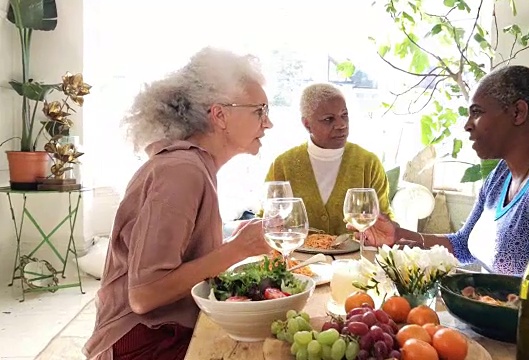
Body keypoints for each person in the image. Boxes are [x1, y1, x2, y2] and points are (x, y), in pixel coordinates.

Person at [359, 66, 529, 360]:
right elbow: (464, 245)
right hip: (505, 327)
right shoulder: (501, 174)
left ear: (518, 113)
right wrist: (399, 235)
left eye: (477, 112)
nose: (467, 125)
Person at [83, 47, 274, 360]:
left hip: (165, 331)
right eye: (260, 110)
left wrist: (230, 243)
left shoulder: (193, 166)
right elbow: (145, 295)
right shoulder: (182, 170)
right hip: (145, 342)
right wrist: (238, 249)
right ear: (220, 115)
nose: (268, 123)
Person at [264, 83, 393, 235]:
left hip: (356, 257)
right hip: (298, 257)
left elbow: (384, 223)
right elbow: (268, 221)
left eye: (344, 115)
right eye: (328, 119)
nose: (341, 125)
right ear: (307, 125)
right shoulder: (283, 164)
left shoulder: (369, 163)